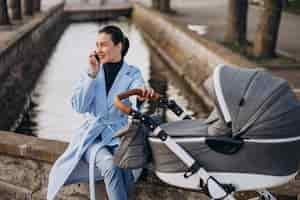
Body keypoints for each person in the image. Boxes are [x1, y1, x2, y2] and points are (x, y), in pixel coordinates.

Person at [47, 25, 154, 200]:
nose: (98, 49)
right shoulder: (90, 71)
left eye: (103, 45)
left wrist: (142, 93)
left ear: (118, 46)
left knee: (126, 166)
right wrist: (92, 75)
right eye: (97, 45)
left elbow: (138, 91)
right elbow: (79, 107)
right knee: (110, 166)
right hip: (92, 138)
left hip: (117, 134)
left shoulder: (132, 72)